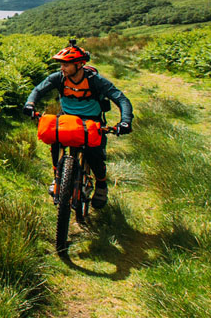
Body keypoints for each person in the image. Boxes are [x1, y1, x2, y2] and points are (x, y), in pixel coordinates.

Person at [22, 40, 133, 208]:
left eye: (66, 65)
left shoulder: (95, 81)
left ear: (79, 65)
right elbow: (38, 90)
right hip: (67, 118)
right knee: (55, 140)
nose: (62, 68)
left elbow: (121, 98)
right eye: (61, 64)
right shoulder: (59, 78)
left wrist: (125, 121)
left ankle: (101, 185)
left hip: (92, 121)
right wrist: (30, 104)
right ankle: (57, 177)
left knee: (94, 154)